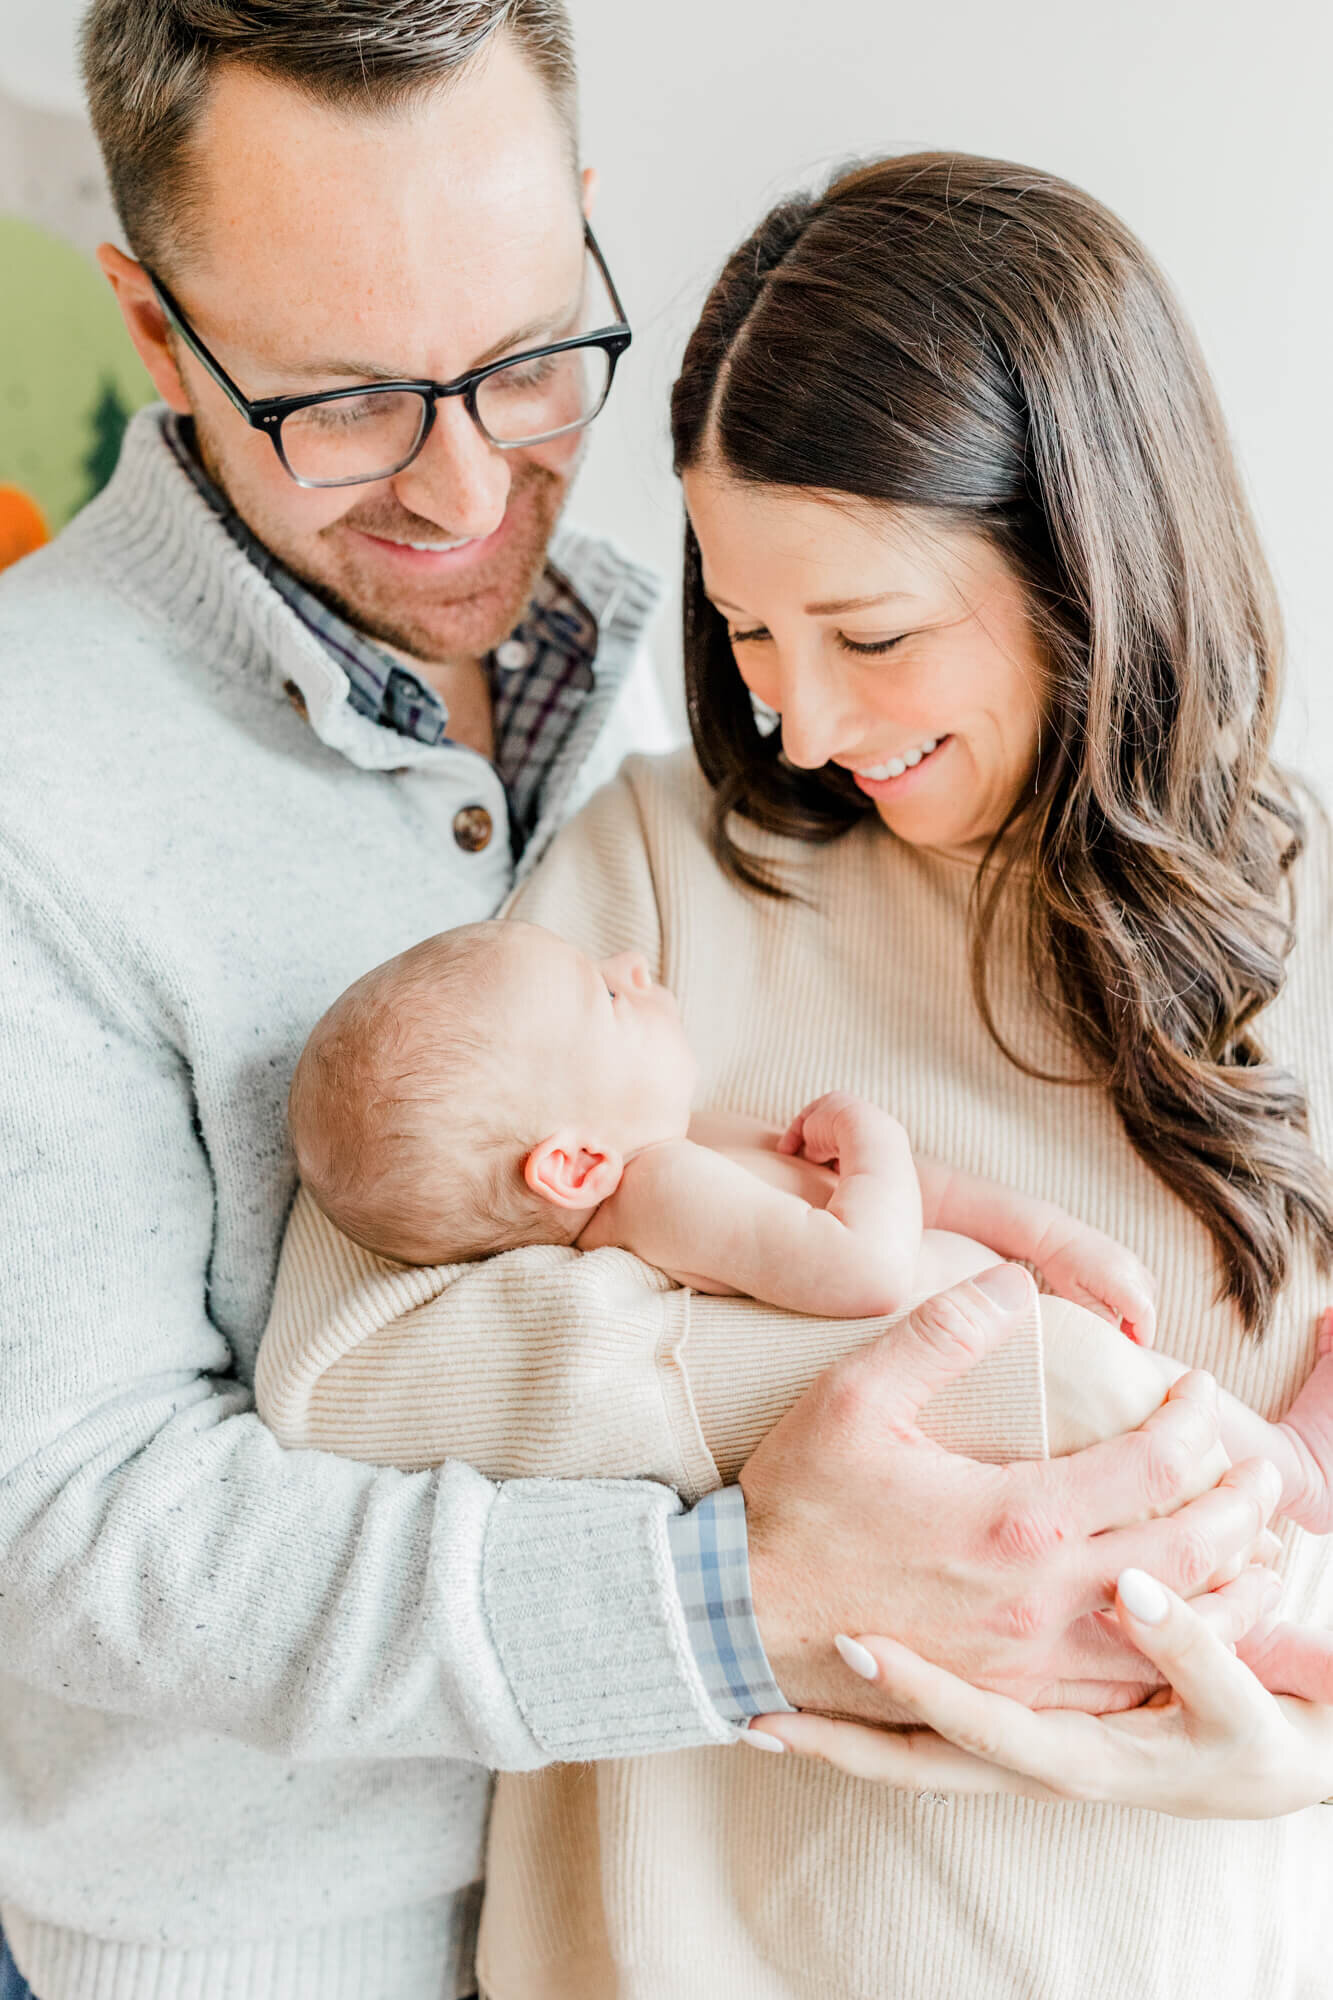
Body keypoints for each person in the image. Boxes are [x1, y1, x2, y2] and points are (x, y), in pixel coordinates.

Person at [0, 8, 1251, 1997]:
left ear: (580, 235)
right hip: (273, 1948)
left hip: (707, 1890)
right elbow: (75, 1534)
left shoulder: (714, 664)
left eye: (524, 358)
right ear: (156, 334)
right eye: (340, 401)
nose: (466, 484)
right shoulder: (30, 769)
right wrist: (737, 1593)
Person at [255, 152, 1333, 1998]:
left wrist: (1304, 1746)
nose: (802, 722)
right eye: (749, 633)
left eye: (871, 633)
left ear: (1088, 555)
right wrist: (860, 1415)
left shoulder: (1292, 910)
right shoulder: (655, 879)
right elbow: (350, 1367)